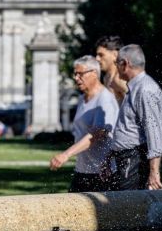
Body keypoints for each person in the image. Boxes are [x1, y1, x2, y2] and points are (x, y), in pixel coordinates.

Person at [50, 55, 119, 192]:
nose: (76, 78)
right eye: (75, 74)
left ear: (94, 73)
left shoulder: (104, 100)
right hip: (82, 171)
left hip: (102, 173)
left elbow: (96, 134)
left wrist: (66, 155)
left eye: (80, 74)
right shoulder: (82, 99)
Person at [108, 45, 162, 190]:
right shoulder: (135, 88)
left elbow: (154, 132)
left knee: (128, 206)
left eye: (117, 63)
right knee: (123, 205)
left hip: (134, 159)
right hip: (127, 158)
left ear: (125, 64)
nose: (116, 67)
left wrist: (154, 172)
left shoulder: (144, 89)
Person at [95, 35, 128, 104]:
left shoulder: (120, 79)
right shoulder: (106, 77)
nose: (97, 59)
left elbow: (136, 106)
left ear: (115, 55)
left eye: (101, 55)